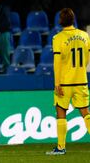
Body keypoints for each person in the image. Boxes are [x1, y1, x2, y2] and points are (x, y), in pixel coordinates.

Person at [46, 8, 90, 155]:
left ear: (60, 20)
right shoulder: (85, 36)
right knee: (85, 113)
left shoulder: (58, 38)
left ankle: (61, 147)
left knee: (61, 113)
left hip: (64, 83)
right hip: (81, 80)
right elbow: (87, 59)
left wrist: (56, 83)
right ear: (73, 20)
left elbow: (57, 63)